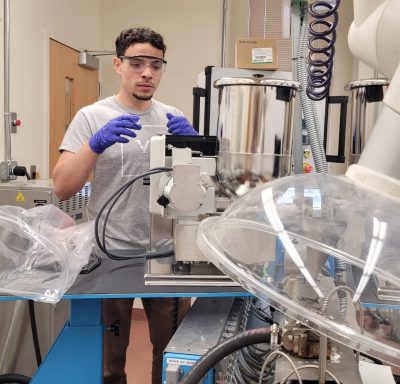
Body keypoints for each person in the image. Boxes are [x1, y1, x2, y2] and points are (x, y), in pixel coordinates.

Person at [52, 27, 196, 384]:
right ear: (118, 65)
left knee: (174, 356)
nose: (147, 72)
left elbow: (199, 190)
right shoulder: (92, 116)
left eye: (156, 65)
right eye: (136, 63)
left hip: (164, 254)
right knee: (107, 361)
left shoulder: (172, 116)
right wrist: (95, 144)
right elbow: (62, 186)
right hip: (108, 254)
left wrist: (197, 149)